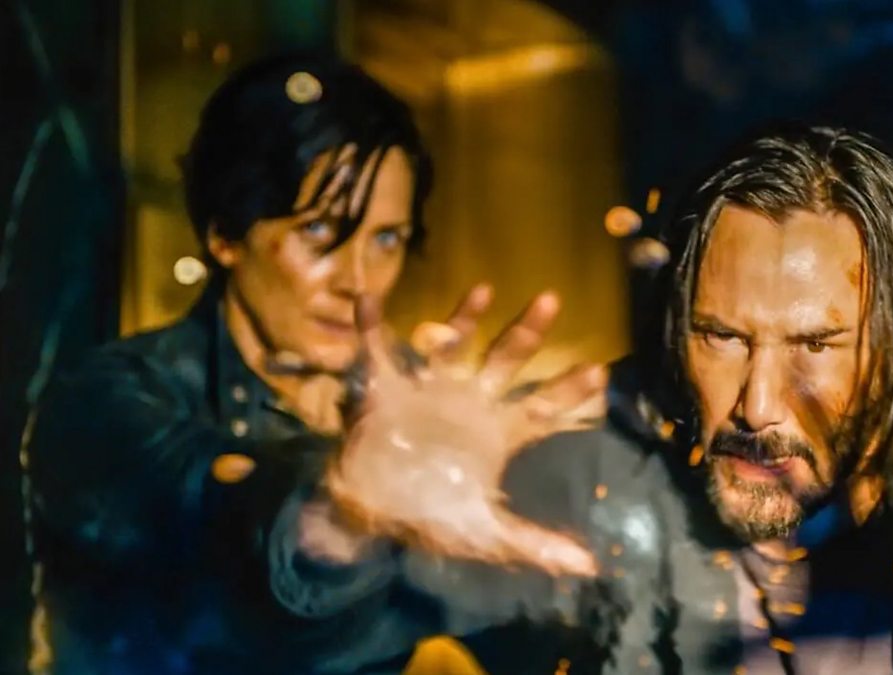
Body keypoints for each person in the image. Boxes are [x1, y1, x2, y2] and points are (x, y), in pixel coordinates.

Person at [276, 126, 893, 674]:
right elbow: (272, 640)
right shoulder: (590, 492)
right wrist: (341, 525)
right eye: (721, 335)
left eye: (816, 344)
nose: (758, 403)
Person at [27, 52, 602, 673]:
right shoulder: (109, 399)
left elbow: (516, 636)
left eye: (386, 239)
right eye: (321, 233)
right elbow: (216, 543)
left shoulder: (408, 416)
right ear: (226, 233)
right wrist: (337, 516)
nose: (359, 280)